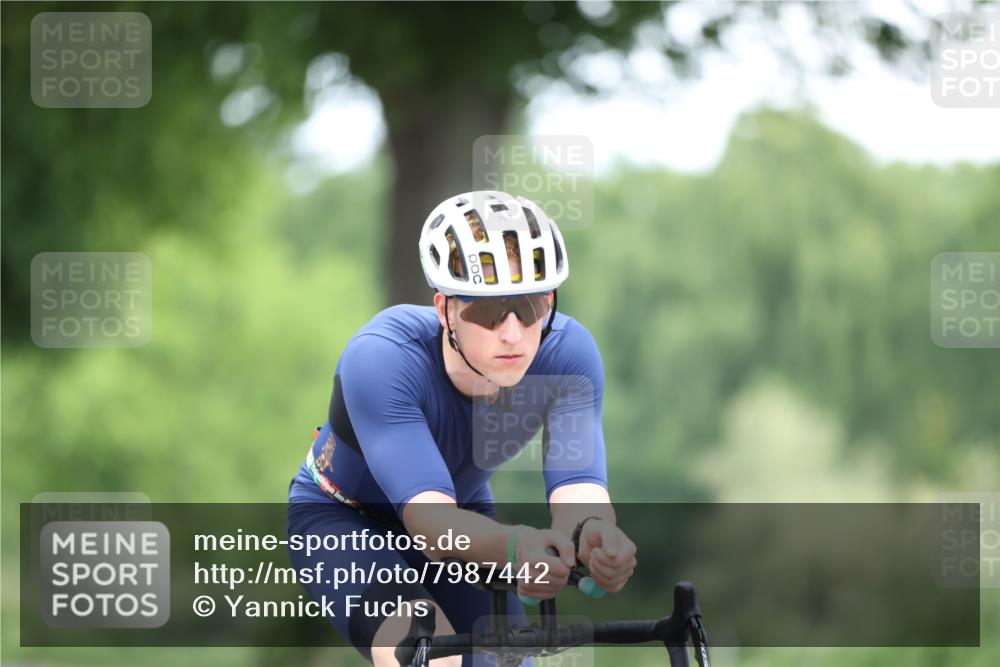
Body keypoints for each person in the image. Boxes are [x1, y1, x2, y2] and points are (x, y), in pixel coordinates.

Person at [286, 191, 637, 667]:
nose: (512, 332)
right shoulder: (382, 359)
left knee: (506, 662)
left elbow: (578, 485)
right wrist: (515, 547)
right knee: (433, 660)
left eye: (530, 308)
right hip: (347, 521)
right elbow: (430, 525)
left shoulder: (567, 357)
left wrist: (594, 535)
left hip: (464, 514)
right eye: (488, 312)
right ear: (445, 310)